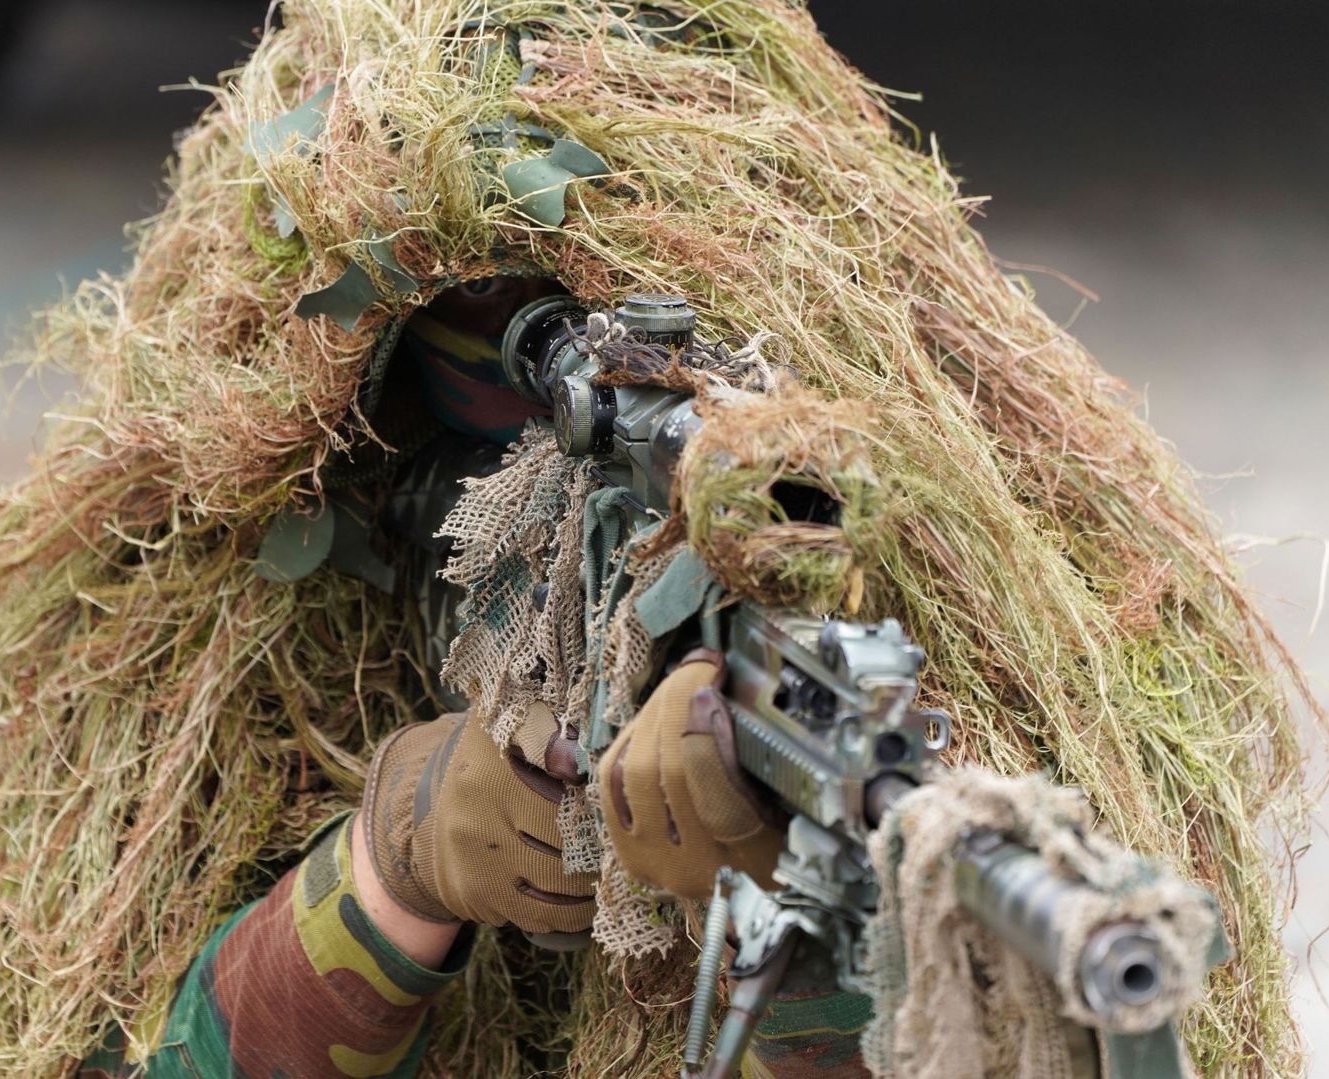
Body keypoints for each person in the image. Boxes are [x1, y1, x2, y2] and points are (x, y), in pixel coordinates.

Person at [76, 280, 872, 1079]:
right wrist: (398, 857)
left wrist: (803, 907)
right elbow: (113, 1039)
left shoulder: (852, 565)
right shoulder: (235, 603)